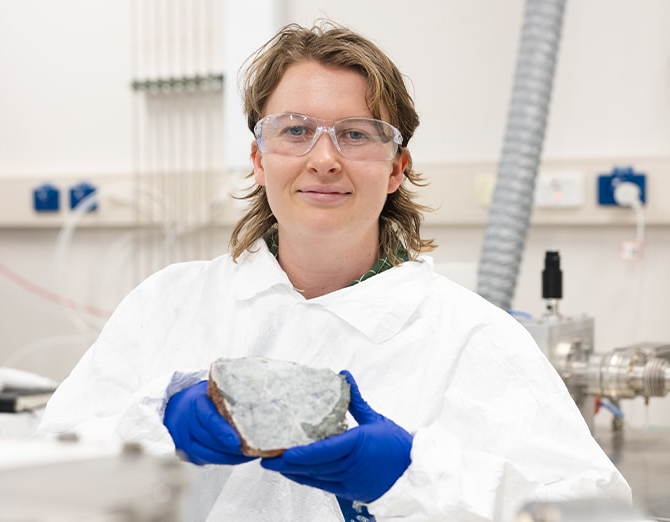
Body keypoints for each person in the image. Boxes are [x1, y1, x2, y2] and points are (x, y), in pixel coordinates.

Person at [36, 20, 631, 521]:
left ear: (395, 169)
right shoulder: (168, 304)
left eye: (356, 134)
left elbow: (590, 509)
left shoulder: (471, 337)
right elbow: (41, 480)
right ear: (259, 159)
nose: (324, 159)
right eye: (295, 131)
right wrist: (155, 427)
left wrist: (413, 477)